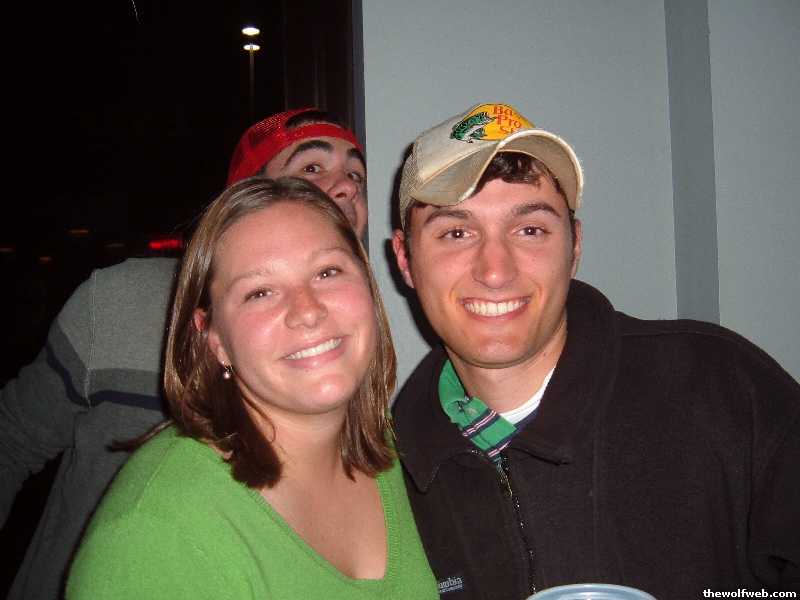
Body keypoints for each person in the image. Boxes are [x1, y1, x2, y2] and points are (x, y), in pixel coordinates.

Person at [390, 102, 800, 599]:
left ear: (575, 246)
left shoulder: (721, 385)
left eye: (530, 229)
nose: (495, 270)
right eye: (456, 232)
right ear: (405, 259)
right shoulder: (387, 476)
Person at [0, 108, 369, 600]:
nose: (345, 187)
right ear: (245, 198)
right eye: (312, 168)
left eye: (356, 175)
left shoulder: (344, 343)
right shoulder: (118, 303)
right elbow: (10, 442)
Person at [66, 176, 437, 599]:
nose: (307, 311)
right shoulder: (156, 534)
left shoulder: (392, 446)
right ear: (213, 337)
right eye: (260, 292)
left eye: (327, 271)